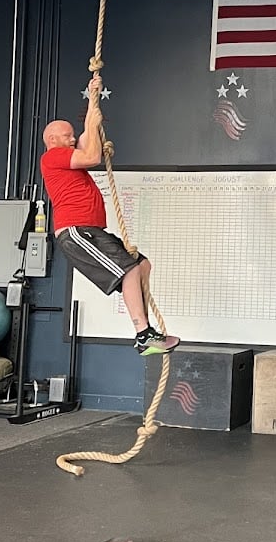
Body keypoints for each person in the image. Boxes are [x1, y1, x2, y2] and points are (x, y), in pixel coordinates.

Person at [40, 74, 180, 355]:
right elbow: (91, 154)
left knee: (141, 265)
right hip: (76, 232)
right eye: (67, 136)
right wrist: (91, 124)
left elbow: (88, 136)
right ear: (53, 139)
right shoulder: (52, 157)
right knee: (128, 270)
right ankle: (143, 335)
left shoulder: (69, 160)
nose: (72, 139)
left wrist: (94, 98)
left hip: (91, 231)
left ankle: (146, 330)